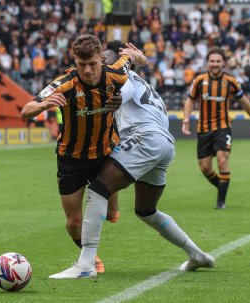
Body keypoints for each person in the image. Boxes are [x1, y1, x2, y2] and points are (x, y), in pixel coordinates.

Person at [49, 41, 215, 279]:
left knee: (97, 190)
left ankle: (86, 264)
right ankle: (196, 254)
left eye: (105, 61)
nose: (102, 66)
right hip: (164, 144)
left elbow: (121, 90)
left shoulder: (120, 80)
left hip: (144, 137)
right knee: (146, 210)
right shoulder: (143, 82)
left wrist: (116, 97)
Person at [21, 35, 147, 273]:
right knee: (73, 223)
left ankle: (112, 208)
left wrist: (139, 57)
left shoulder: (115, 73)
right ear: (74, 60)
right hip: (71, 159)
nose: (87, 70)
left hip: (104, 154)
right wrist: (45, 104)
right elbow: (26, 110)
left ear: (101, 58)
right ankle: (90, 258)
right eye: (81, 65)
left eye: (92, 64)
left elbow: (130, 58)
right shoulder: (65, 83)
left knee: (111, 215)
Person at [182, 47, 250, 209]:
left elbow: (245, 102)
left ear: (223, 63)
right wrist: (186, 119)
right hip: (204, 128)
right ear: (207, 63)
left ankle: (221, 201)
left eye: (218, 61)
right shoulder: (199, 80)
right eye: (212, 61)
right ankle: (222, 187)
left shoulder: (231, 81)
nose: (215, 64)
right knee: (205, 168)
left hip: (223, 127)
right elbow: (190, 100)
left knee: (222, 160)